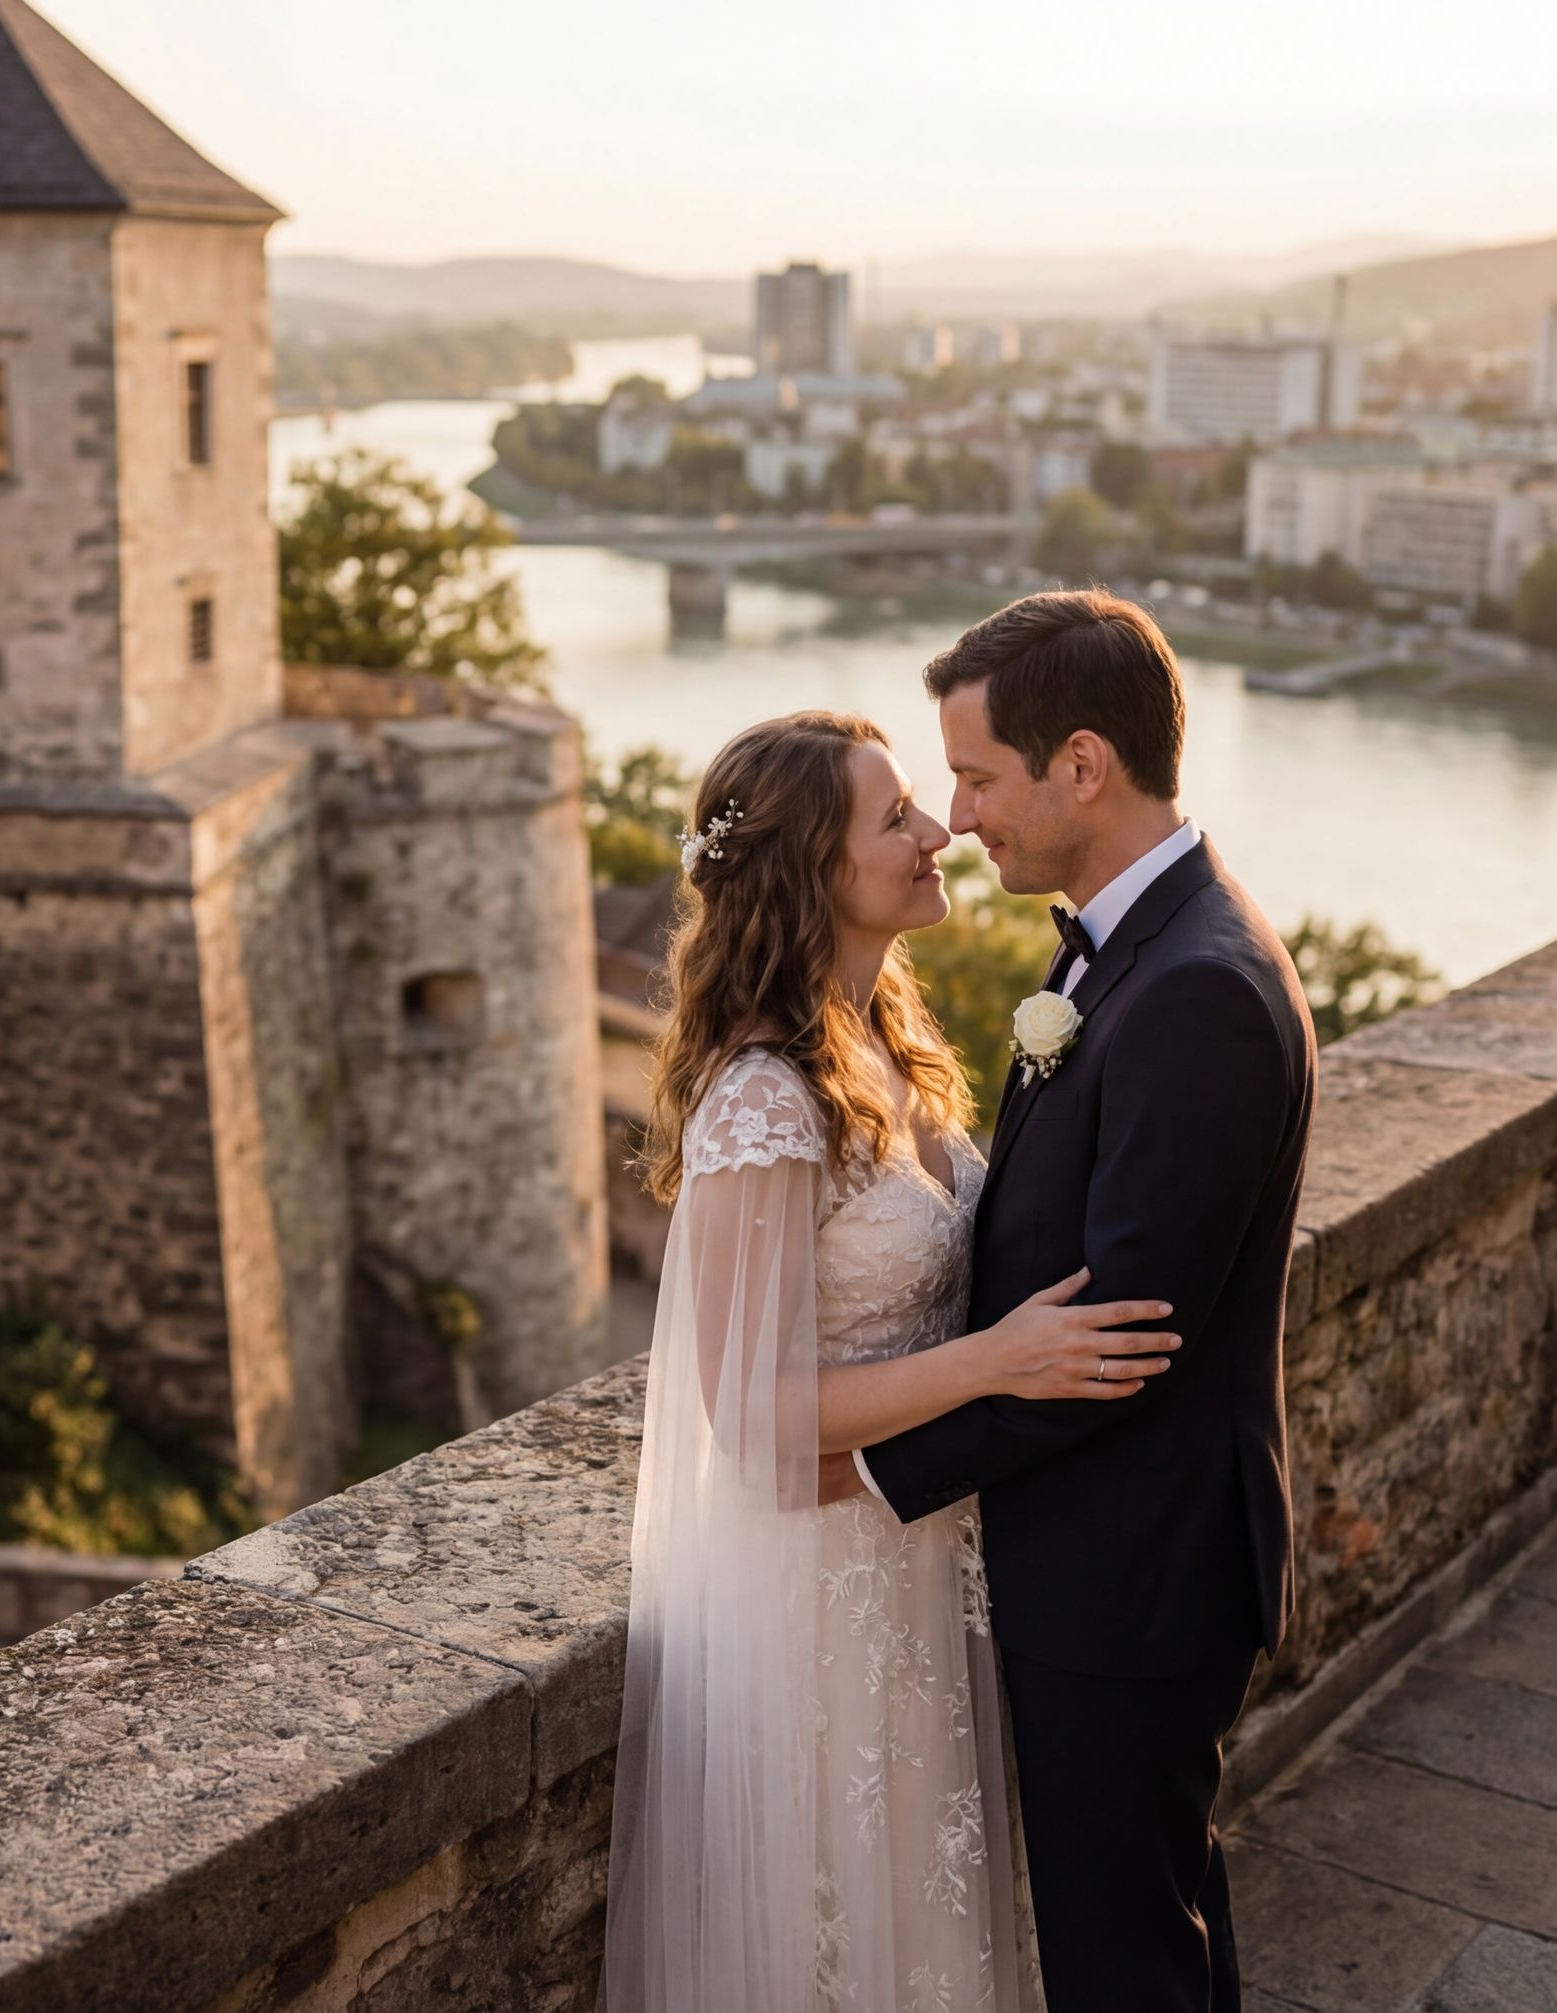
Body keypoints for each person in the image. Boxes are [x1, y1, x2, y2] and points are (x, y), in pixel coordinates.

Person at [604, 705, 1183, 2012]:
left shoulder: (889, 1042)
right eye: (898, 816)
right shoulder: (764, 1098)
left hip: (928, 1551)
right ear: (816, 871)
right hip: (825, 1590)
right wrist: (998, 1362)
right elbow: (748, 1414)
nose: (941, 832)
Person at [856, 590, 1314, 2013]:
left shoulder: (1196, 988)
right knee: (1160, 1926)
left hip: (1134, 1575)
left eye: (978, 777)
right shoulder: (1129, 940)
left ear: (1083, 765)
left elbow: (1115, 1343)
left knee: (1120, 1965)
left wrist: (865, 1465)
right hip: (1123, 1561)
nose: (957, 816)